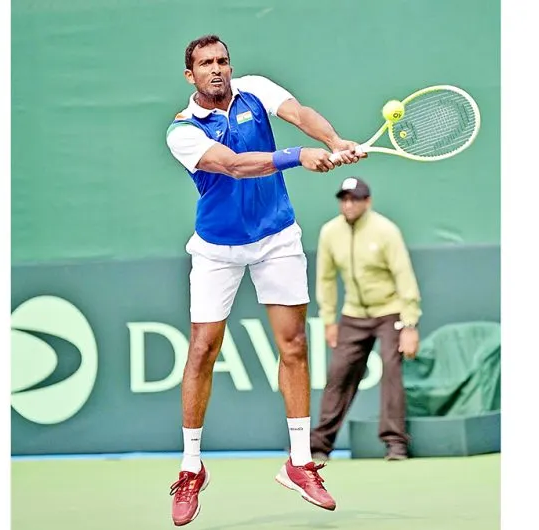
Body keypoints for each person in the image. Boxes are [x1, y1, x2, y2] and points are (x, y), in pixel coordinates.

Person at [163, 34, 366, 526]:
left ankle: (299, 462)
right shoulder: (182, 130)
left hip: (276, 236)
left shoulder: (254, 89)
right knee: (202, 349)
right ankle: (191, 468)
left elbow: (299, 113)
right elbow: (232, 166)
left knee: (294, 344)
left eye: (222, 60)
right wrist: (297, 156)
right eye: (206, 63)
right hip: (217, 248)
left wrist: (334, 141)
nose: (217, 68)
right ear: (190, 75)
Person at [310, 176, 422, 462]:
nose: (348, 205)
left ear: (367, 202)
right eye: (344, 199)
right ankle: (319, 445)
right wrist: (329, 320)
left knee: (391, 371)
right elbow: (325, 279)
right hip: (353, 314)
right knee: (338, 374)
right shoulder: (329, 232)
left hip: (389, 311)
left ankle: (395, 443)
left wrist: (409, 324)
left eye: (355, 199)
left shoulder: (386, 231)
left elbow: (404, 276)